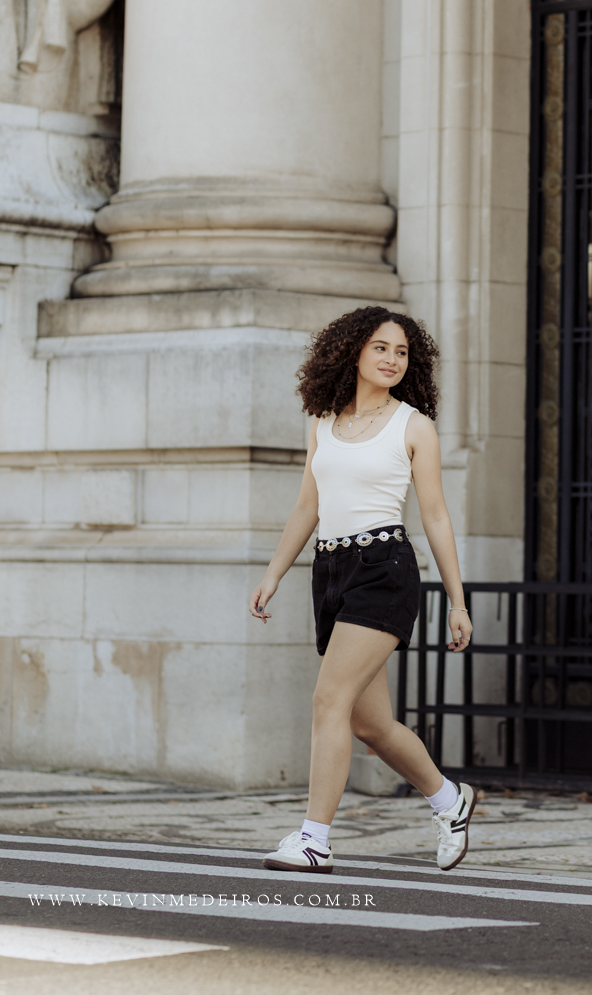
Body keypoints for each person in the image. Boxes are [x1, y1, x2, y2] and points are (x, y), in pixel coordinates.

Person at [248, 306, 475, 874]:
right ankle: (451, 800)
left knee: (329, 700)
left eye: (401, 352)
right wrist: (275, 571)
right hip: (331, 572)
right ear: (353, 351)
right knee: (369, 723)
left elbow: (437, 518)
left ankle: (314, 840)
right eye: (381, 348)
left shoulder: (413, 425)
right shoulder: (323, 422)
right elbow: (308, 504)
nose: (392, 359)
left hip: (384, 569)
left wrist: (457, 601)